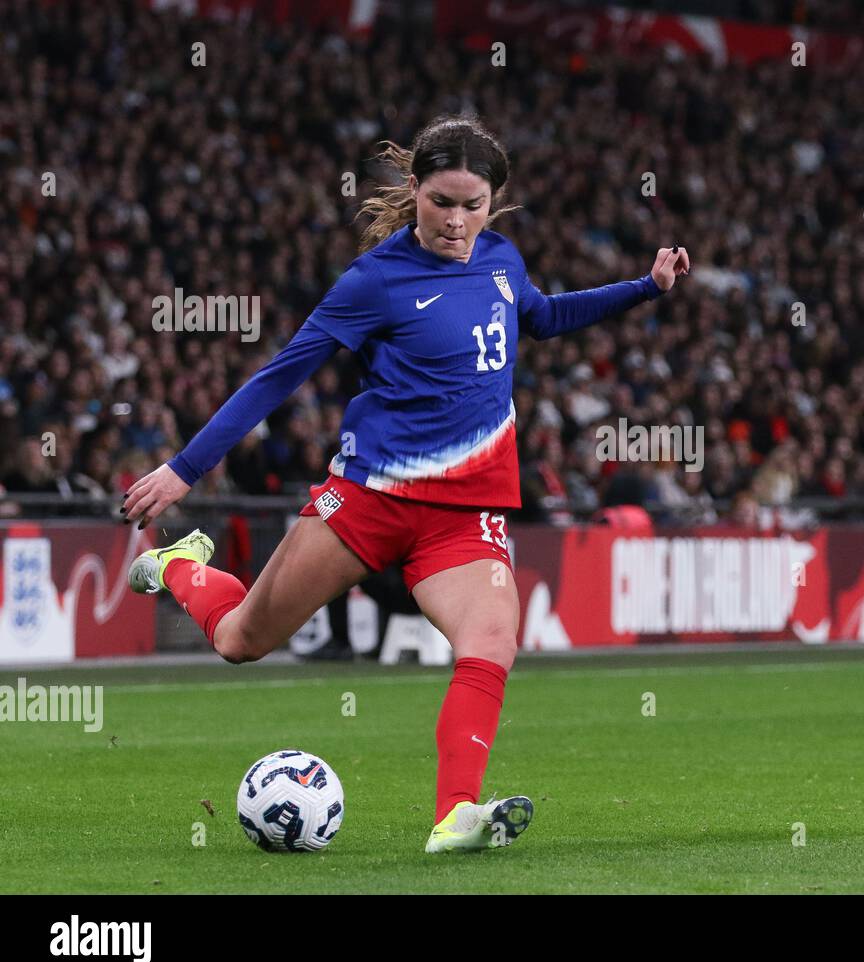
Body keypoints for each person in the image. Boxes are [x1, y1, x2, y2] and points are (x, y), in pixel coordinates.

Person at [121, 117, 690, 854]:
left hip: (467, 510)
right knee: (239, 640)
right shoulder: (374, 282)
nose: (456, 221)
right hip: (369, 499)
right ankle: (179, 563)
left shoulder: (501, 262)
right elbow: (279, 376)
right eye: (442, 201)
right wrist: (183, 469)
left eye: (473, 204)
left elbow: (544, 318)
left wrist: (646, 287)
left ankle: (456, 813)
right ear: (414, 190)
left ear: (493, 203)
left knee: (490, 639)